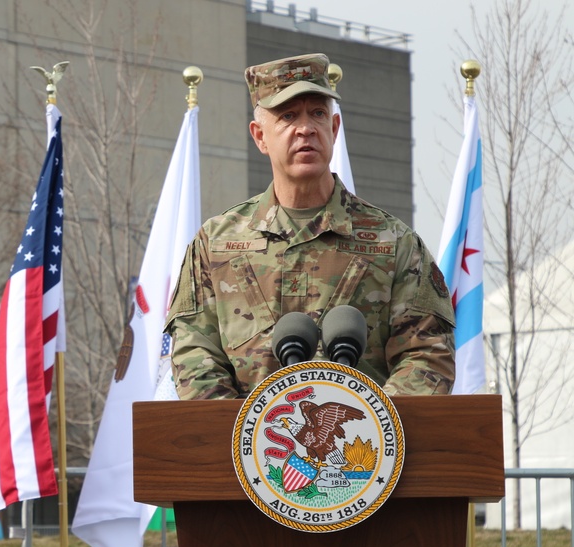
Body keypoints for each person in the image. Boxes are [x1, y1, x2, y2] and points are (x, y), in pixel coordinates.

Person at [165, 53, 455, 400]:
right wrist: (251, 441)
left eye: (318, 113)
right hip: (249, 448)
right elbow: (195, 356)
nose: (306, 128)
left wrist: (371, 431)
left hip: (363, 449)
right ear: (260, 137)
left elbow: (426, 354)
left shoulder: (394, 243)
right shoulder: (216, 243)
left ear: (333, 129)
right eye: (288, 116)